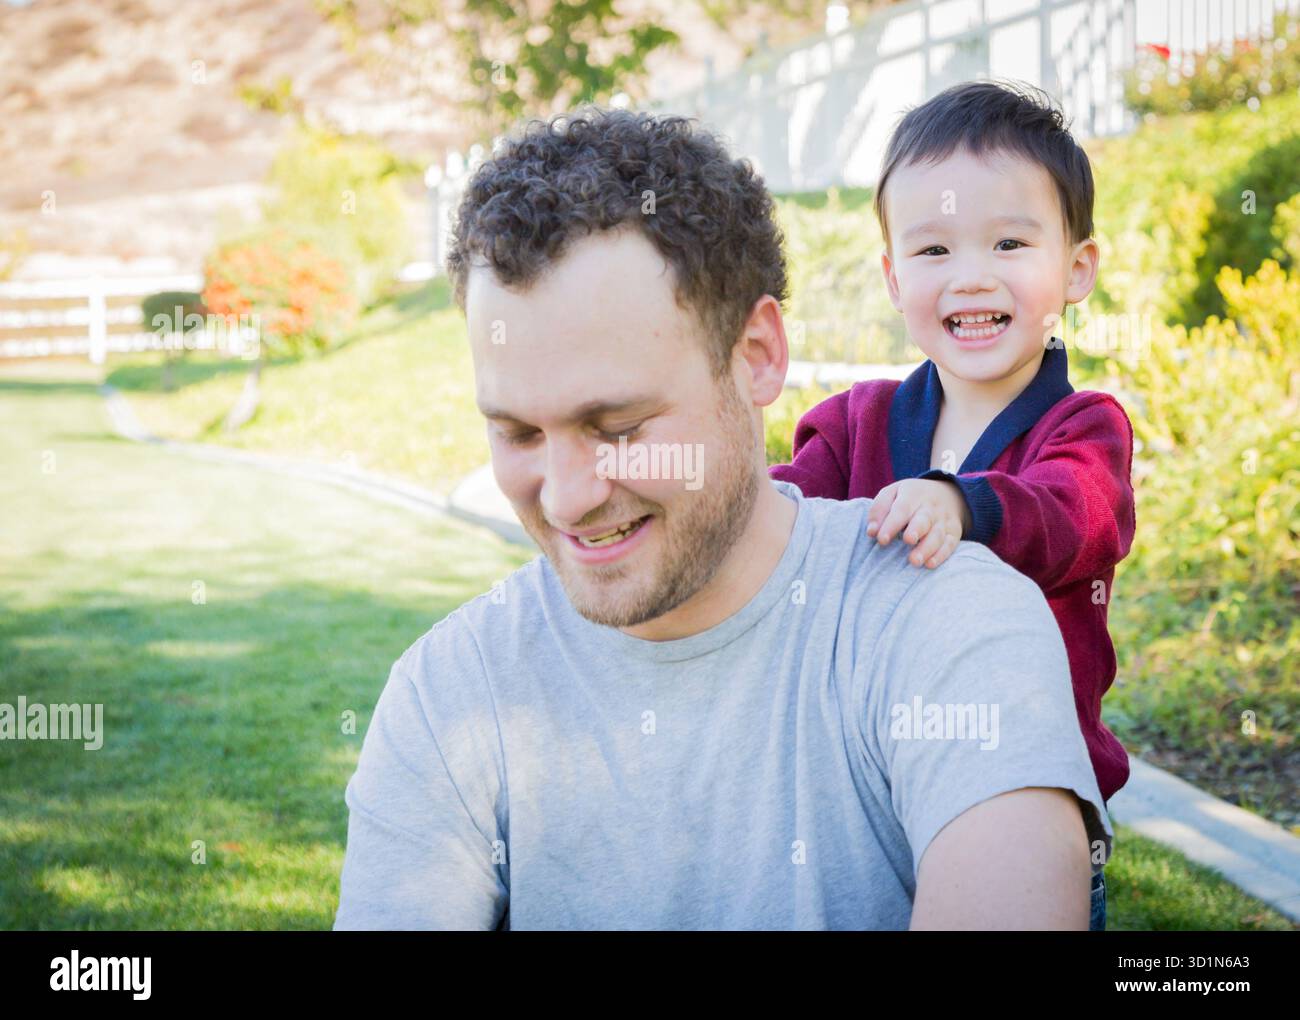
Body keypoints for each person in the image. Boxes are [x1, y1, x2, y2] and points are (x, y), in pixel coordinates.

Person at [332, 105, 1112, 931]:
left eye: (620, 427)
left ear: (758, 357)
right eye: (519, 431)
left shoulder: (955, 625)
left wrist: (968, 503)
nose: (566, 498)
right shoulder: (448, 694)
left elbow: (1075, 510)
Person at [769, 81, 1137, 931]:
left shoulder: (1082, 429)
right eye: (934, 252)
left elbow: (1077, 514)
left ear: (1076, 268)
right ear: (895, 279)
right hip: (863, 793)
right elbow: (778, 522)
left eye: (1009, 242)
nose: (971, 276)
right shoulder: (854, 422)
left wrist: (964, 504)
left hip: (1017, 793)